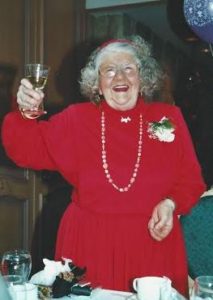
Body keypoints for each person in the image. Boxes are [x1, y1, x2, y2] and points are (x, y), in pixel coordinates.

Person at [1, 36, 206, 297]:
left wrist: (170, 203)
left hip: (153, 245)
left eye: (129, 68)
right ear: (97, 84)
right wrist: (27, 112)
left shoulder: (167, 119)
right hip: (87, 244)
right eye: (109, 70)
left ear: (142, 78)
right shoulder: (76, 119)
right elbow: (25, 150)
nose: (120, 77)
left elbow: (191, 179)